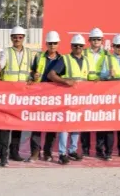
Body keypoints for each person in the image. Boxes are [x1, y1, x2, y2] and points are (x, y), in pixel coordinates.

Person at [48, 34, 88, 165]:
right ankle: (62, 153)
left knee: (77, 125)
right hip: (67, 98)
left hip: (80, 99)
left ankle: (72, 150)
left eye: (80, 46)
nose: (78, 48)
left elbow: (90, 78)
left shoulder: (86, 61)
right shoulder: (65, 59)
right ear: (71, 46)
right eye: (75, 45)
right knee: (65, 126)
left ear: (83, 47)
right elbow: (51, 75)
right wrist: (65, 81)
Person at [0, 25, 34, 166]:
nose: (17, 39)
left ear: (23, 38)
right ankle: (3, 155)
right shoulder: (6, 52)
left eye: (20, 37)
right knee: (5, 125)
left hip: (22, 94)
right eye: (15, 37)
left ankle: (14, 152)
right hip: (8, 94)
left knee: (18, 124)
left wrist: (33, 78)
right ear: (11, 38)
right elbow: (1, 64)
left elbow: (32, 70)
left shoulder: (29, 53)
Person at [29, 30, 62, 162]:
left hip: (54, 96)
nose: (52, 45)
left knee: (51, 126)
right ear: (46, 43)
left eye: (55, 43)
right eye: (50, 43)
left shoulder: (62, 59)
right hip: (39, 95)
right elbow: (32, 71)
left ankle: (48, 152)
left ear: (58, 44)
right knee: (36, 125)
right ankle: (35, 152)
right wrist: (33, 75)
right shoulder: (39, 57)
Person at [99, 34, 120, 160]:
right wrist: (108, 74)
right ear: (113, 47)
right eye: (117, 46)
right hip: (111, 95)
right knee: (110, 125)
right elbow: (102, 76)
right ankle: (108, 151)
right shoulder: (108, 59)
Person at [81, 27, 106, 157]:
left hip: (101, 89)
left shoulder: (106, 54)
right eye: (94, 39)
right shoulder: (84, 53)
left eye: (98, 39)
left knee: (100, 119)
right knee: (85, 119)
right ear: (89, 40)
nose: (96, 41)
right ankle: (85, 148)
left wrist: (102, 78)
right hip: (87, 88)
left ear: (102, 40)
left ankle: (99, 149)